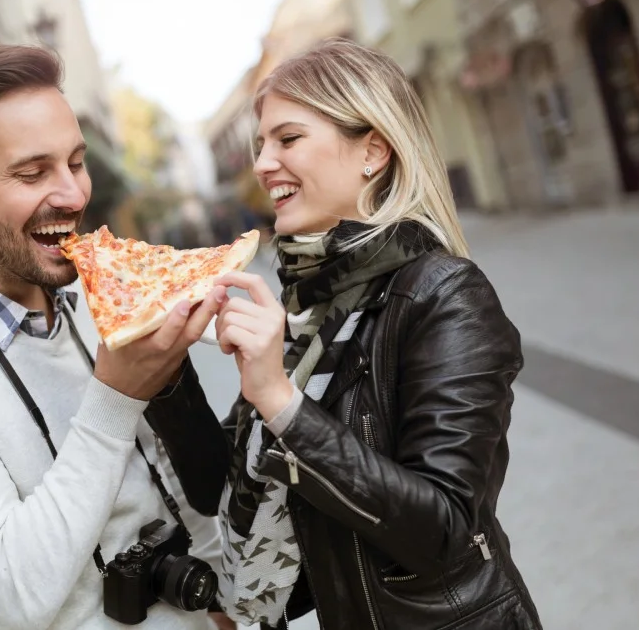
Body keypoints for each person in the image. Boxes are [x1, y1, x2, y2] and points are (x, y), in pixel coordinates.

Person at [0, 43, 235, 630]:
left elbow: (182, 486)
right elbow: (17, 590)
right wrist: (115, 400)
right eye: (32, 172)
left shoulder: (94, 298)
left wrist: (219, 605)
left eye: (75, 163)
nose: (74, 195)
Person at [167, 38, 543, 629]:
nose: (264, 164)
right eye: (262, 144)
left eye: (288, 139)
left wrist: (279, 400)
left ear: (373, 151)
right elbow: (222, 482)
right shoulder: (313, 306)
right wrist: (165, 373)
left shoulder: (446, 295)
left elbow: (441, 532)